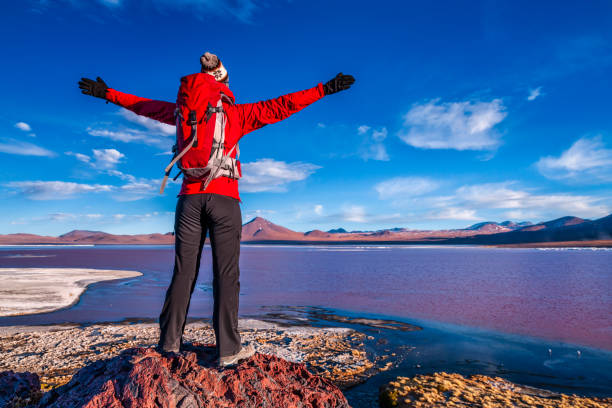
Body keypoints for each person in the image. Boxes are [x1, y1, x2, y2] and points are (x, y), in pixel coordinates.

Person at [78, 52, 355, 367]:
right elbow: (284, 105)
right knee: (226, 275)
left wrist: (108, 94)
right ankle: (228, 350)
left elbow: (144, 106)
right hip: (224, 199)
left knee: (184, 272)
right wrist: (324, 89)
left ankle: (169, 344)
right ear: (223, 83)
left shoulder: (182, 111)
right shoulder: (237, 114)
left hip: (188, 200)